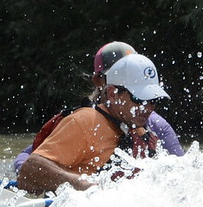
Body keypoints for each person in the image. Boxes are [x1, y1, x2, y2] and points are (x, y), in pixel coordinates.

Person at [12, 42, 184, 172]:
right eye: (138, 97)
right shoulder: (82, 121)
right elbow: (32, 163)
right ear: (102, 83)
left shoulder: (155, 125)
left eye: (152, 99)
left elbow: (182, 170)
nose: (147, 107)